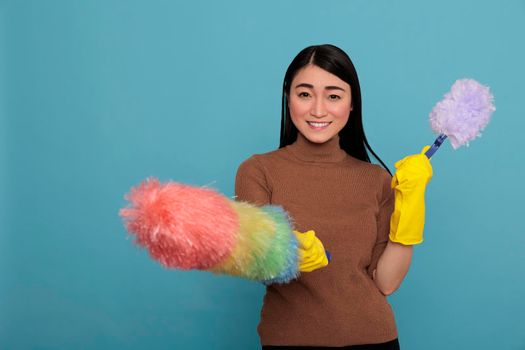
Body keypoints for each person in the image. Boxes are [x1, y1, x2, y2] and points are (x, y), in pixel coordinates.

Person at [234, 44, 432, 349]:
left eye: (334, 95)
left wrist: (411, 204)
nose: (318, 109)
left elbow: (386, 283)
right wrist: (287, 253)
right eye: (305, 94)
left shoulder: (376, 180)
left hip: (374, 339)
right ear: (288, 98)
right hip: (289, 341)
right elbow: (257, 266)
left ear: (351, 104)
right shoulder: (257, 171)